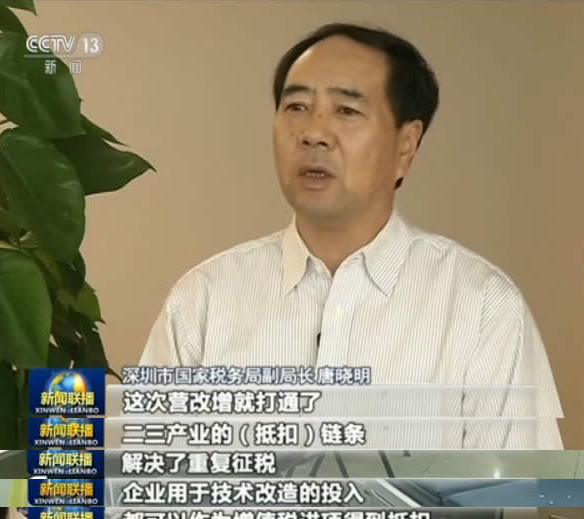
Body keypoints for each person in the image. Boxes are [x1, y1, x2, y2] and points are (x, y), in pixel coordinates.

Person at [140, 23, 563, 448]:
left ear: (406, 145)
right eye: (296, 106)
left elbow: (520, 488)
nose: (313, 133)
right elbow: (147, 475)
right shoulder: (202, 300)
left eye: (346, 111)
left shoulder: (482, 307)